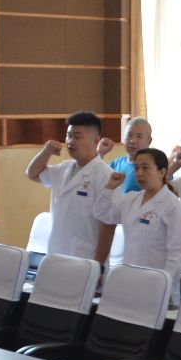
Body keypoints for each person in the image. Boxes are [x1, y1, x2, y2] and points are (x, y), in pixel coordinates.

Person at [95, 147, 181, 302]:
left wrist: (162, 287)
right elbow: (104, 214)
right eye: (136, 168)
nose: (139, 173)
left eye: (145, 168)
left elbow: (177, 257)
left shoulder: (174, 206)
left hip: (157, 287)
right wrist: (109, 188)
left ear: (162, 172)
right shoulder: (130, 199)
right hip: (129, 280)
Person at [25, 110, 115, 265]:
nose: (70, 141)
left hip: (85, 258)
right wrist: (46, 151)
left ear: (96, 140)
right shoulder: (63, 168)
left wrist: (98, 265)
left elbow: (108, 224)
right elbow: (32, 174)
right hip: (56, 251)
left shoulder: (105, 175)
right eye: (68, 135)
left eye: (77, 136)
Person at [103, 116, 152, 193]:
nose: (133, 141)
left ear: (149, 141)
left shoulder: (155, 167)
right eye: (129, 135)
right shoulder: (115, 164)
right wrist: (100, 154)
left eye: (139, 136)